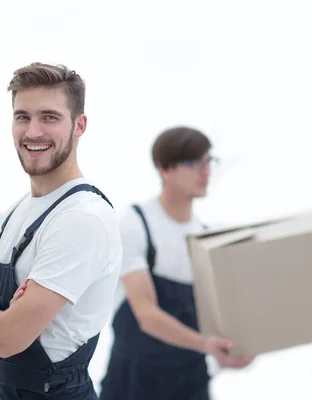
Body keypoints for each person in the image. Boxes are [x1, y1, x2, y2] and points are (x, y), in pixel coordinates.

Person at [0, 62, 123, 399]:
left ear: (79, 125)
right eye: (22, 117)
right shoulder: (16, 211)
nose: (33, 132)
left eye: (49, 117)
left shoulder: (81, 219)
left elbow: (5, 339)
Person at [98, 126, 255, 400]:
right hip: (134, 381)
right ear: (164, 169)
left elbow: (218, 319)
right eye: (194, 163)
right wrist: (206, 344)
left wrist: (233, 350)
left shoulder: (207, 236)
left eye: (209, 161)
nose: (206, 171)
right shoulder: (135, 224)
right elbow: (146, 315)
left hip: (190, 381)